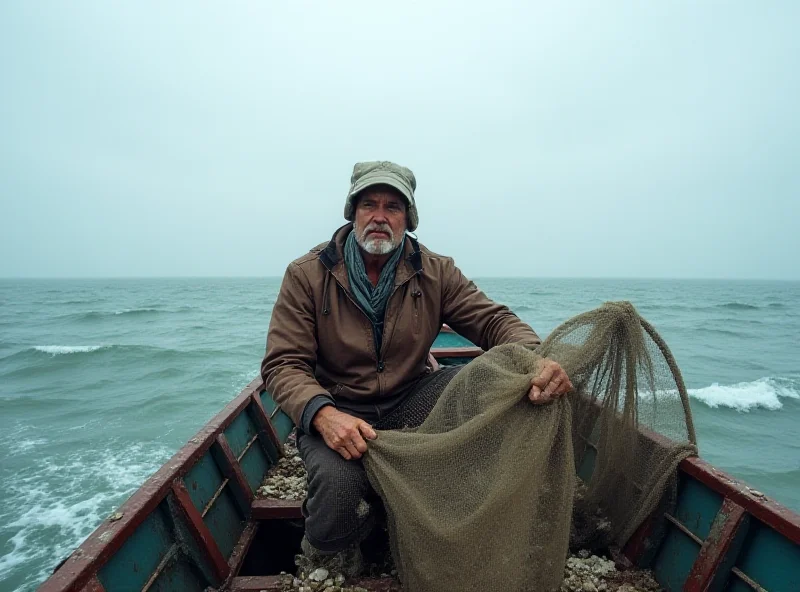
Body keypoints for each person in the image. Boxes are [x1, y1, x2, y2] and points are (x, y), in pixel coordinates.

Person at [261, 160, 572, 571]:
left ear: (408, 218)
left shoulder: (435, 270)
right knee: (337, 494)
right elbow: (283, 364)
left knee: (487, 379)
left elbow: (494, 322)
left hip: (412, 398)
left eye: (393, 207)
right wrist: (324, 416)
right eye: (368, 204)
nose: (379, 216)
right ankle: (340, 541)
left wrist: (539, 358)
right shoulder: (307, 274)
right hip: (339, 407)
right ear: (352, 212)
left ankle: (453, 511)